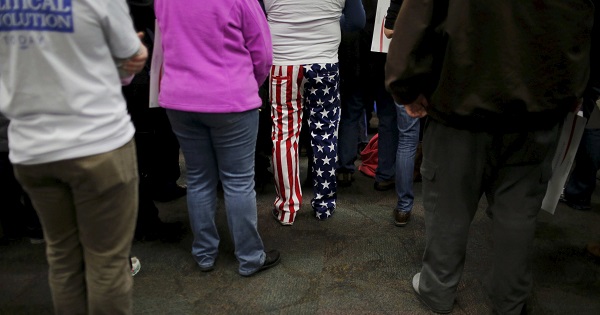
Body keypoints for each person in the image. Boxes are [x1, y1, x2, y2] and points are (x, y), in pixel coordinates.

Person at [385, 0, 594, 314]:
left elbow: (419, 16)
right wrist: (574, 89)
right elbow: (580, 20)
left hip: (460, 101)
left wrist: (405, 88)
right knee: (518, 211)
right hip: (537, 108)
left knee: (448, 205)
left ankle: (437, 288)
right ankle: (509, 297)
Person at [0, 1, 148, 313]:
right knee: (107, 262)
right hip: (97, 143)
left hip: (31, 148)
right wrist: (135, 54)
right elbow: (130, 58)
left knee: (63, 257)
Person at [154, 0, 281, 276]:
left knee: (198, 178)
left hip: (179, 99)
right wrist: (249, 84)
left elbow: (165, 41)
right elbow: (264, 53)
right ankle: (249, 258)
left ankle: (204, 254)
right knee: (238, 181)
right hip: (231, 98)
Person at [264, 0, 366, 225]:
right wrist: (326, 23)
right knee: (326, 135)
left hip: (282, 63)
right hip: (325, 64)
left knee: (284, 135)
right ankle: (325, 206)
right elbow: (357, 22)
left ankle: (287, 209)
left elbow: (256, 18)